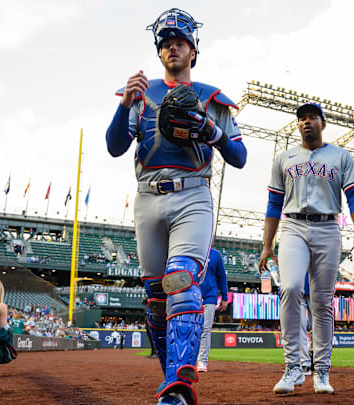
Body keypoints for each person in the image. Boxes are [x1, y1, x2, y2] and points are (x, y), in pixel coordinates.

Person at [105, 8, 246, 405]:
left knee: (181, 279)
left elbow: (239, 157)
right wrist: (124, 105)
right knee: (155, 296)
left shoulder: (211, 97)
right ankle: (172, 378)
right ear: (159, 51)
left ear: (193, 50)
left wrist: (212, 130)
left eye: (179, 42)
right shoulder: (141, 92)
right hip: (148, 195)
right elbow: (115, 146)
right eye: (166, 43)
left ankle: (178, 388)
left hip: (192, 194)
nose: (172, 48)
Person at [259, 102, 354, 395]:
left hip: (328, 228)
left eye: (311, 118)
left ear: (323, 122)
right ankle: (293, 366)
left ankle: (321, 370)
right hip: (292, 226)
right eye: (301, 119)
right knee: (291, 288)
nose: (306, 122)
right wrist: (267, 245)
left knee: (322, 301)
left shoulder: (340, 156)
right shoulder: (284, 158)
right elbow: (273, 204)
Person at [196, 248, 228, 372]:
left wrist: (224, 297)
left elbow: (222, 277)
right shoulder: (191, 250)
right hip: (191, 296)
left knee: (205, 329)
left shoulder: (215, 254)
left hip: (209, 296)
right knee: (190, 329)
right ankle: (187, 360)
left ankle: (202, 361)